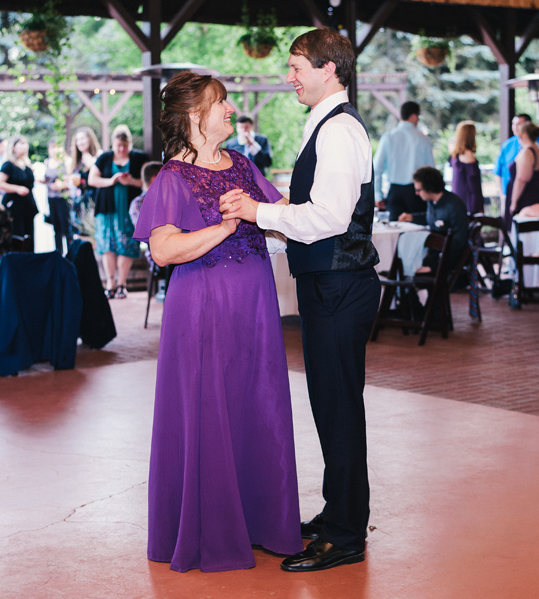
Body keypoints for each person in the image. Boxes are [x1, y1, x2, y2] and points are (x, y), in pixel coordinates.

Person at [219, 27, 380, 573]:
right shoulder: (327, 125)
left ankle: (345, 533)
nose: (289, 76)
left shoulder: (338, 131)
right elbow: (314, 209)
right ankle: (340, 512)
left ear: (328, 69)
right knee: (331, 405)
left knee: (338, 409)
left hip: (339, 285)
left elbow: (331, 218)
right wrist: (270, 213)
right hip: (329, 283)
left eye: (296, 66)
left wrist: (259, 214)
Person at [132, 71, 301, 573]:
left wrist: (266, 211)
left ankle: (263, 522)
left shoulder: (244, 164)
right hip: (202, 307)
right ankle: (211, 529)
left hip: (255, 308)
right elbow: (162, 251)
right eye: (220, 102)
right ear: (193, 116)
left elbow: (280, 214)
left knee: (258, 404)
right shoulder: (172, 178)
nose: (230, 109)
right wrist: (224, 225)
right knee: (210, 409)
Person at [88, 125, 147, 299]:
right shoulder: (105, 158)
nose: (121, 149)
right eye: (118, 146)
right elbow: (92, 179)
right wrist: (111, 181)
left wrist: (132, 182)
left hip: (128, 210)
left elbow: (147, 183)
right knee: (107, 246)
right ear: (113, 144)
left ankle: (122, 284)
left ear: (129, 144)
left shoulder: (138, 158)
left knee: (126, 245)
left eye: (124, 146)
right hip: (107, 209)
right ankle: (110, 283)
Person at [399, 166, 469, 273]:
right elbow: (431, 219)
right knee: (405, 257)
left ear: (429, 188)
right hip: (435, 254)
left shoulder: (454, 206)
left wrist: (433, 266)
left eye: (418, 190)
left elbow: (459, 242)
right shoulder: (432, 202)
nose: (416, 193)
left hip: (447, 260)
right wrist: (412, 217)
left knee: (408, 265)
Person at [373, 101, 434, 221]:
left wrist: (378, 195)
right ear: (413, 116)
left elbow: (377, 168)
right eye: (418, 116)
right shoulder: (423, 139)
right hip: (417, 192)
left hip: (395, 192)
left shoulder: (388, 137)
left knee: (395, 232)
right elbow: (430, 170)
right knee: (417, 231)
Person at [494, 113, 539, 210]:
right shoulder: (508, 144)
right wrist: (502, 193)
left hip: (526, 197)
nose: (515, 127)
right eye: (513, 124)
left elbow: (522, 179)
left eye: (519, 124)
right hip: (510, 194)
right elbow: (499, 170)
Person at [0, 134, 38, 251]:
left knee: (29, 237)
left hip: (28, 207)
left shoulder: (26, 165)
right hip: (15, 207)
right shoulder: (9, 165)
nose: (25, 146)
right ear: (13, 147)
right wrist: (17, 189)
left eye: (26, 143)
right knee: (18, 236)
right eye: (22, 143)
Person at [505, 121, 539, 227]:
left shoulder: (527, 152)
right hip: (537, 194)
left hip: (525, 196)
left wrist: (514, 202)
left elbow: (522, 179)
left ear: (524, 135)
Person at [68, 127, 101, 238]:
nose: (80, 142)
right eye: (77, 140)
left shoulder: (98, 156)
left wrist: (93, 164)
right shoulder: (77, 160)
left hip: (93, 201)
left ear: (90, 139)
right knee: (79, 235)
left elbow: (102, 176)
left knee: (91, 234)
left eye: (82, 139)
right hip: (78, 202)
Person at [448, 120, 484, 214]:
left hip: (459, 197)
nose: (476, 134)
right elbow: (473, 184)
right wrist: (478, 205)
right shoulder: (467, 155)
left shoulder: (456, 154)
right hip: (468, 201)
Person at [42, 138, 71, 255]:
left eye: (57, 147)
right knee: (56, 229)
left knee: (66, 228)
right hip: (51, 199)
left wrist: (62, 184)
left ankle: (70, 254)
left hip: (63, 199)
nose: (55, 150)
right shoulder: (47, 162)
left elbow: (73, 180)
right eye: (52, 147)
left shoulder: (67, 161)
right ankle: (59, 254)